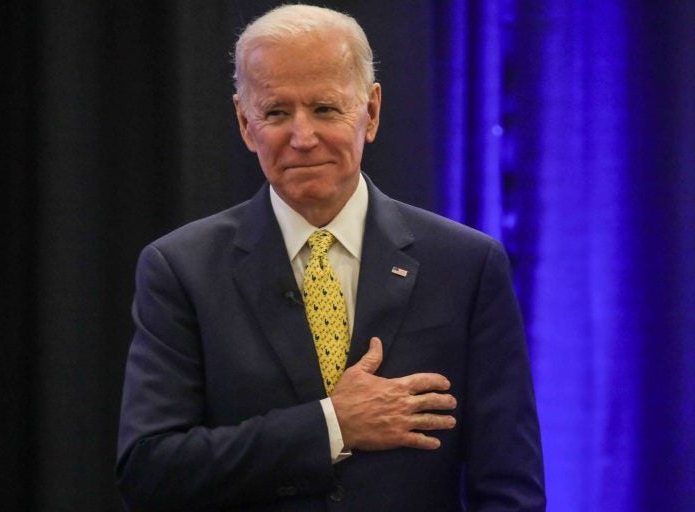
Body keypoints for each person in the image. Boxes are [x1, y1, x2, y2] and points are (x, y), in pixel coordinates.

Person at [116, 4, 545, 511]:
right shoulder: (181, 269)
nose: (302, 137)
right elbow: (150, 469)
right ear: (244, 122)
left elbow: (508, 486)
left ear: (371, 111)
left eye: (325, 108)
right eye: (276, 112)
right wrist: (331, 426)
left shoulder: (466, 265)